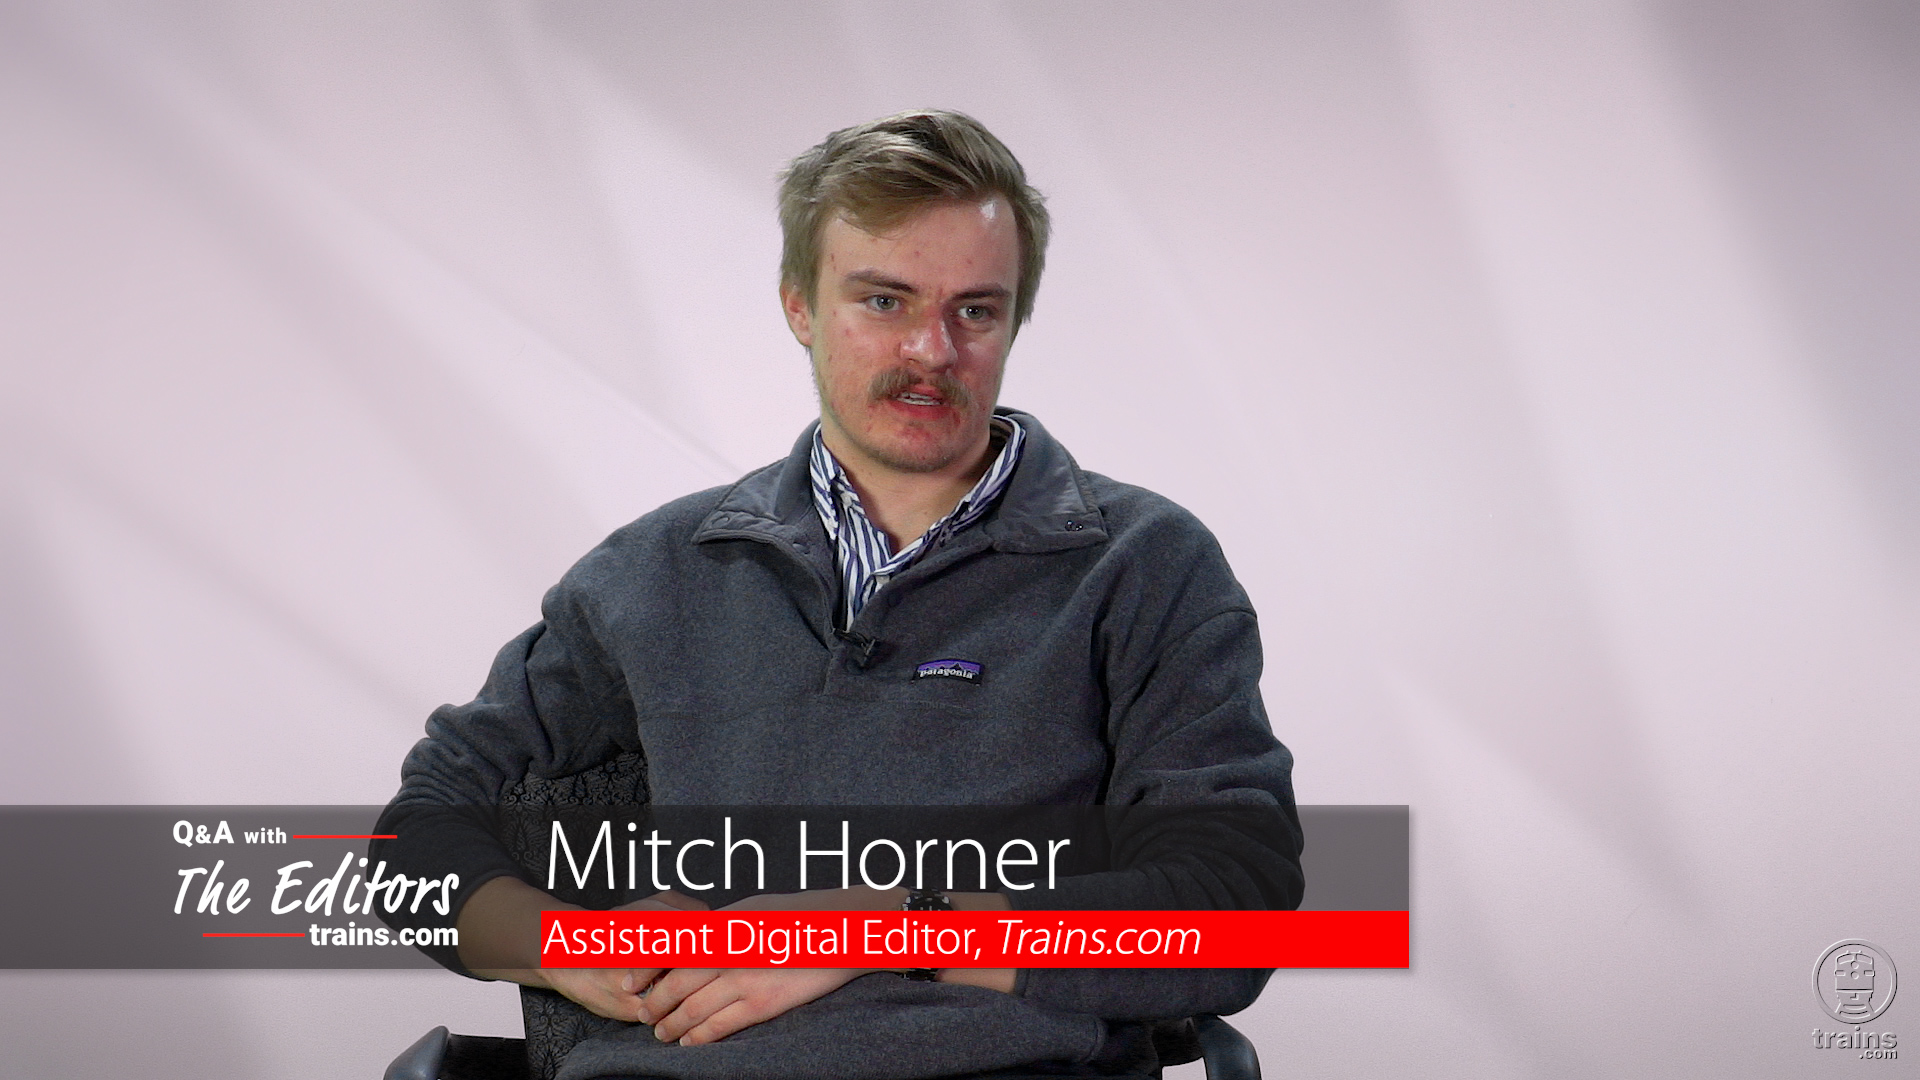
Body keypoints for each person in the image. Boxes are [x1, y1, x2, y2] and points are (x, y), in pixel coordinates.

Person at [375, 109, 1302, 1080]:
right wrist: (571, 946)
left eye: (975, 311)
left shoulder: (1144, 565)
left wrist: (881, 923)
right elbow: (418, 833)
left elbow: (1233, 908)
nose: (932, 350)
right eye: (884, 301)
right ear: (800, 307)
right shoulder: (655, 574)